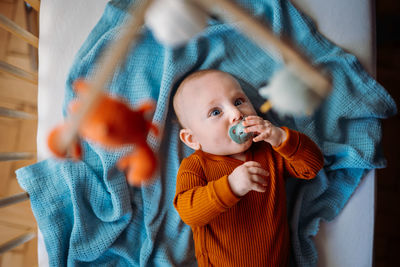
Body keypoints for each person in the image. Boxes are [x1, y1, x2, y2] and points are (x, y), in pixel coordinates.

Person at [172, 69, 324, 267]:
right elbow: (188, 212)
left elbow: (312, 166)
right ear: (192, 139)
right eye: (216, 112)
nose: (236, 114)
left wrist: (280, 138)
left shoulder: (269, 150)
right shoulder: (196, 165)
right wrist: (231, 186)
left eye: (238, 101)